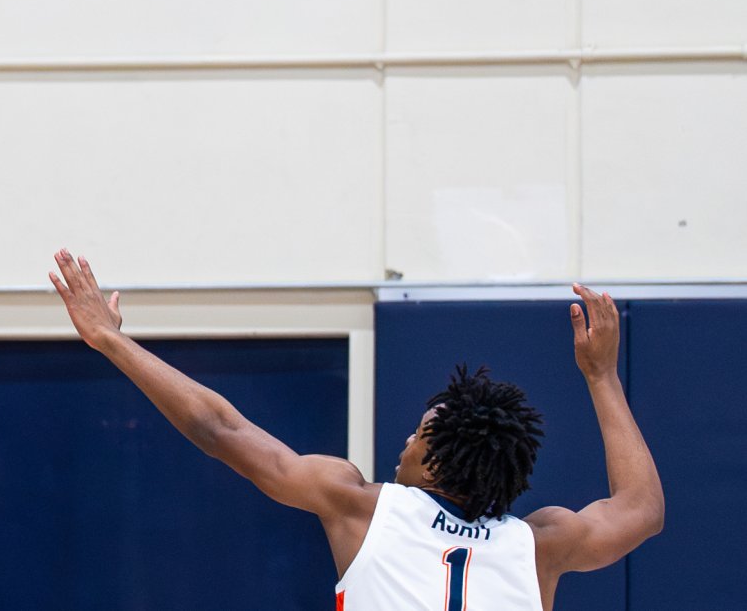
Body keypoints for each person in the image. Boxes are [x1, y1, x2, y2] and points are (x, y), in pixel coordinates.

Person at [48, 251, 663, 611]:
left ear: (439, 464)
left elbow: (219, 429)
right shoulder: (541, 544)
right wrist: (602, 374)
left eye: (420, 434)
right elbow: (642, 508)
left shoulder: (364, 506)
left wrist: (111, 341)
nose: (406, 441)